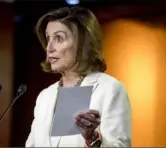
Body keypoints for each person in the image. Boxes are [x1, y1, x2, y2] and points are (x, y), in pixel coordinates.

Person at [25, 6, 131, 147]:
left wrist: (93, 138)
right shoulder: (45, 96)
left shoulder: (110, 89)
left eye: (59, 38)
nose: (49, 47)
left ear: (83, 43)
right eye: (48, 38)